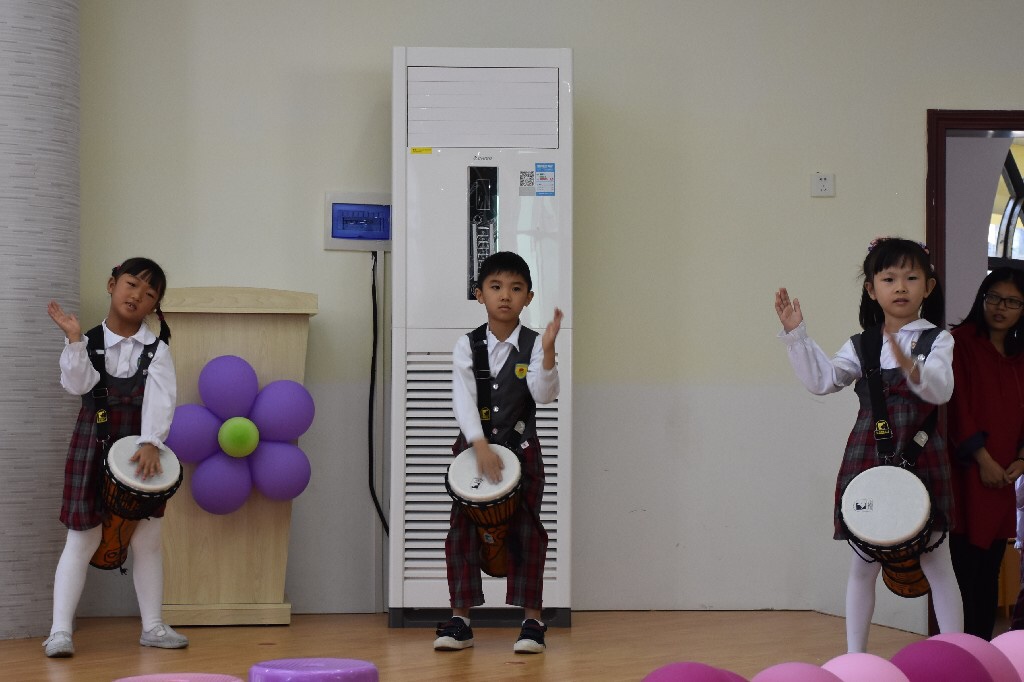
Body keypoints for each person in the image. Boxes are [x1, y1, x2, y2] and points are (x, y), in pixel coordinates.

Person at [775, 237, 963, 653]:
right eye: (889, 278)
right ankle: (855, 659)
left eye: (911, 277)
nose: (901, 287)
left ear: (928, 287)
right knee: (863, 563)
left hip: (921, 455)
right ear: (871, 289)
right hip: (869, 457)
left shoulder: (938, 340)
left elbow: (941, 390)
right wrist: (796, 335)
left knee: (937, 561)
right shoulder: (862, 344)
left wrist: (913, 366)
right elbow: (823, 380)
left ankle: (956, 655)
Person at [43, 258, 188, 658]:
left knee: (148, 540)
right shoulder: (87, 340)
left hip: (140, 454)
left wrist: (151, 442)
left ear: (155, 306)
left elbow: (162, 400)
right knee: (81, 538)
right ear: (112, 285)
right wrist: (74, 340)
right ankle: (60, 631)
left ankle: (153, 626)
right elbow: (77, 385)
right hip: (91, 446)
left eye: (149, 293)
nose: (137, 295)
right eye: (131, 284)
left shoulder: (157, 351)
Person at [433, 251, 563, 655]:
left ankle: (532, 622)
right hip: (473, 453)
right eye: (496, 286)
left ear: (528, 297)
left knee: (527, 533)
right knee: (461, 532)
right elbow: (462, 398)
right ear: (480, 294)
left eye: (516, 288)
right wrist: (478, 444)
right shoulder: (467, 345)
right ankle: (460, 621)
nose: (505, 295)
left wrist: (548, 353)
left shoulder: (534, 344)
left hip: (522, 451)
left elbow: (544, 394)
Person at [946, 267, 1024, 639]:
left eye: (1012, 302)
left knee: (990, 567)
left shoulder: (1021, 355)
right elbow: (957, 406)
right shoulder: (958, 343)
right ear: (982, 299)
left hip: (1005, 474)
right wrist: (983, 459)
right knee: (964, 568)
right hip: (967, 472)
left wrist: (1021, 459)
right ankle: (961, 649)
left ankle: (982, 650)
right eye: (994, 298)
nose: (1000, 308)